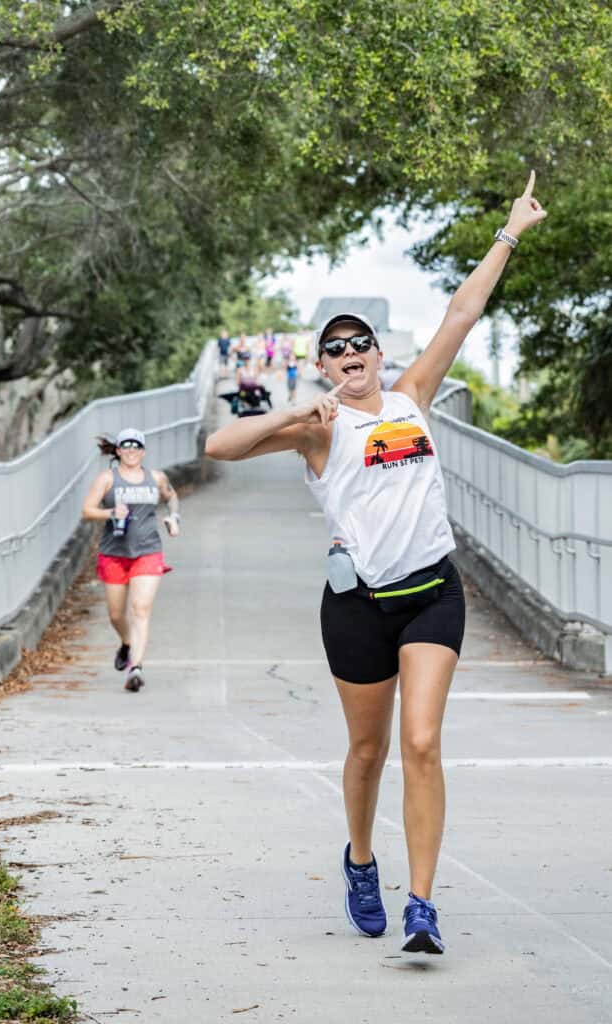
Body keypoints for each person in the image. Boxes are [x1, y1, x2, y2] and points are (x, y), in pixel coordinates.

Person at [205, 174, 546, 953]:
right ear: (323, 364)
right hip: (357, 603)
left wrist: (509, 231)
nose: (351, 354)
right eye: (336, 348)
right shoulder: (315, 430)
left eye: (360, 344)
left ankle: (421, 905)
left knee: (421, 741)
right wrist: (294, 411)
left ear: (378, 355)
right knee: (369, 749)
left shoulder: (410, 398)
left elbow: (462, 313)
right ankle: (360, 858)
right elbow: (216, 447)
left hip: (432, 592)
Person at [81, 427, 181, 692]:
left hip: (148, 551)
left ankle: (135, 667)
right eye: (126, 446)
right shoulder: (107, 479)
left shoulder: (156, 477)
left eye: (136, 446)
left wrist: (174, 518)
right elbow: (87, 510)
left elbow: (171, 497)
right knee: (116, 614)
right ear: (118, 450)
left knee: (140, 610)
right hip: (114, 553)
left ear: (143, 451)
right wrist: (111, 512)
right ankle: (126, 643)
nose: (131, 451)